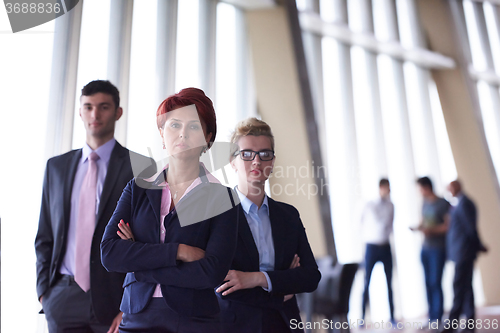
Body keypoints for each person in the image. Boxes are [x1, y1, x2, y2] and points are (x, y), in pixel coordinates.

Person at [100, 88, 239, 333]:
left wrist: (140, 265)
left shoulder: (223, 197)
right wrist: (179, 251)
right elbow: (110, 252)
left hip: (194, 321)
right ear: (162, 134)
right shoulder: (137, 188)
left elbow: (211, 273)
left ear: (208, 137)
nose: (182, 133)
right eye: (174, 125)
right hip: (135, 318)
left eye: (194, 126)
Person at [35, 80, 156, 332]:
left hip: (115, 298)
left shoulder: (141, 167)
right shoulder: (56, 167)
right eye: (88, 107)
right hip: (62, 296)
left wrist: (128, 305)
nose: (95, 114)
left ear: (118, 112)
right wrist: (44, 293)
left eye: (103, 107)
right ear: (80, 111)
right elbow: (45, 234)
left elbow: (149, 241)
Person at [216, 117, 321, 333]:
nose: (256, 162)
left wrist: (253, 278)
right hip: (235, 326)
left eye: (265, 154)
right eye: (246, 154)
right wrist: (282, 287)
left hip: (285, 324)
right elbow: (221, 285)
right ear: (232, 161)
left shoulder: (288, 215)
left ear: (272, 163)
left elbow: (310, 277)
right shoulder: (216, 216)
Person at [441, 180, 487, 333]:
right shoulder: (458, 204)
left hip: (464, 252)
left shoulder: (465, 203)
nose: (450, 190)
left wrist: (478, 245)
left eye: (451, 187)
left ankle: (453, 324)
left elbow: (470, 228)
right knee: (466, 288)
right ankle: (468, 324)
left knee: (459, 286)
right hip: (461, 252)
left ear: (458, 187)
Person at [412, 176, 450, 324]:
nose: (419, 192)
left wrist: (432, 230)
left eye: (420, 189)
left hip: (438, 248)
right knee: (427, 283)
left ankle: (438, 317)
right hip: (425, 248)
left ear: (426, 187)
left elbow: (447, 226)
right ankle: (431, 317)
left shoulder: (442, 203)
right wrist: (418, 228)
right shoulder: (424, 203)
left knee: (435, 282)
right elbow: (423, 222)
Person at [360, 178, 396, 325]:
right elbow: (361, 222)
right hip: (372, 246)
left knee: (389, 282)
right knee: (366, 282)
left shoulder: (391, 205)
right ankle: (361, 317)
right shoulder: (370, 204)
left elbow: (390, 224)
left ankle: (392, 317)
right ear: (381, 187)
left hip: (385, 246)